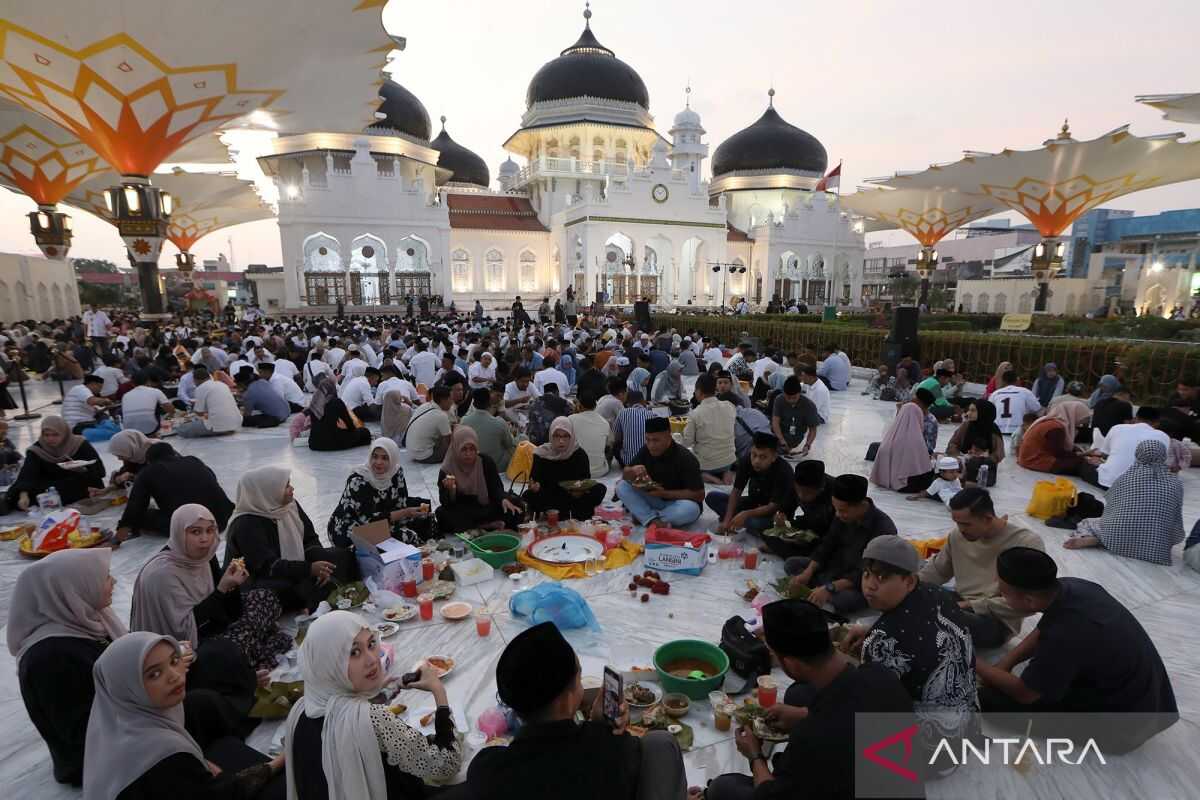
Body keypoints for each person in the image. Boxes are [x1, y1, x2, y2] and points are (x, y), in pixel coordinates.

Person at [975, 547, 1178, 753]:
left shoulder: (1066, 633)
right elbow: (1042, 630)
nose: (1000, 595)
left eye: (1003, 592)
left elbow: (1025, 693)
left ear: (1029, 600)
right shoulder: (1073, 587)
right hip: (1149, 703)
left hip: (1122, 728)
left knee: (989, 701)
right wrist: (1005, 664)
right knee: (1012, 680)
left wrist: (972, 662)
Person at [706, 600, 914, 800]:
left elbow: (769, 795)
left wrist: (754, 756)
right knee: (798, 694)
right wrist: (802, 715)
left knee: (722, 788)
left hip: (843, 783)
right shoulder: (880, 674)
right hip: (888, 783)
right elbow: (850, 714)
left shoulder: (811, 739)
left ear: (792, 664)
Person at [467, 621, 688, 800]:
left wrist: (596, 727)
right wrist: (601, 730)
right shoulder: (616, 750)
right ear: (565, 700)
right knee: (660, 743)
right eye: (579, 679)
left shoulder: (486, 770)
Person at [82, 632, 285, 800]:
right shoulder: (160, 753)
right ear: (128, 687)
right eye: (154, 674)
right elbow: (228, 793)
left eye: (174, 660)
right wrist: (283, 759)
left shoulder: (113, 726)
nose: (174, 675)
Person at [284, 611, 461, 800]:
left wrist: (385, 691)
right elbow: (446, 764)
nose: (372, 660)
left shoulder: (300, 710)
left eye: (371, 644)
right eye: (354, 652)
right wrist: (438, 691)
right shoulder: (371, 719)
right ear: (328, 664)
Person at [7, 549, 126, 786]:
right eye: (104, 577)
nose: (114, 581)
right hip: (94, 760)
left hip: (124, 727)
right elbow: (82, 731)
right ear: (73, 589)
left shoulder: (86, 618)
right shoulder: (50, 658)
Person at [131, 505, 290, 678]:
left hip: (212, 625)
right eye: (195, 532)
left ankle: (252, 650)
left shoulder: (204, 557)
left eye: (210, 530)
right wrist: (222, 589)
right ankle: (251, 651)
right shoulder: (163, 574)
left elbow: (232, 613)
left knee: (265, 596)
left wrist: (232, 587)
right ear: (179, 533)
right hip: (181, 653)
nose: (205, 539)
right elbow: (185, 632)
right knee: (227, 651)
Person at [839, 536, 979, 728]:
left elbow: (872, 702)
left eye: (882, 577)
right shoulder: (939, 594)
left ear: (910, 581)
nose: (870, 585)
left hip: (930, 737)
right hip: (969, 718)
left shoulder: (882, 639)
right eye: (866, 574)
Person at [919, 488, 1045, 649]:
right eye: (957, 523)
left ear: (987, 518)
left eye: (966, 524)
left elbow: (1027, 602)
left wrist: (969, 605)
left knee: (936, 617)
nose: (961, 529)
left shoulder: (1026, 543)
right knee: (913, 599)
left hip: (995, 620)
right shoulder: (957, 536)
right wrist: (909, 586)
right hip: (960, 601)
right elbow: (937, 570)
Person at [223, 466, 355, 613]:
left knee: (340, 556)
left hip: (291, 564)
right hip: (259, 577)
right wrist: (309, 569)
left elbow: (309, 538)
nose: (292, 488)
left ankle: (314, 597)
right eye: (286, 486)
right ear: (267, 492)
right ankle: (310, 601)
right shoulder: (246, 524)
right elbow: (268, 566)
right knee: (287, 586)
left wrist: (319, 562)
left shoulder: (289, 506)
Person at [785, 475, 896, 615]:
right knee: (791, 564)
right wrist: (808, 571)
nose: (837, 515)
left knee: (847, 600)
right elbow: (827, 544)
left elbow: (866, 572)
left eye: (842, 511)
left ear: (859, 505)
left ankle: (821, 591)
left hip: (857, 583)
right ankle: (819, 590)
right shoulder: (842, 516)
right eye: (836, 509)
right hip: (833, 569)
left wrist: (829, 588)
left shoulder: (883, 528)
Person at [1065, 440, 1185, 565]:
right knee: (1160, 530)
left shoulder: (1127, 478)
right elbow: (1175, 515)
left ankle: (1100, 539)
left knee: (1088, 522)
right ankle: (1146, 543)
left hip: (1119, 536)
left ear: (1138, 454)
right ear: (1163, 456)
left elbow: (1111, 508)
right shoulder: (1175, 483)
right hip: (1156, 545)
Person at [327, 438, 433, 549]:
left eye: (385, 458)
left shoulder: (396, 472)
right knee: (406, 536)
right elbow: (369, 520)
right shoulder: (359, 481)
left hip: (382, 518)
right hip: (352, 527)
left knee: (423, 520)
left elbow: (401, 502)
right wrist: (405, 513)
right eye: (375, 456)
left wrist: (413, 512)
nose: (378, 462)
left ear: (393, 459)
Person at [117, 443, 235, 540]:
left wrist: (118, 537)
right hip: (221, 519)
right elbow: (212, 479)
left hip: (191, 528)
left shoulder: (148, 472)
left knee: (142, 516)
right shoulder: (193, 460)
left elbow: (135, 505)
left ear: (149, 460)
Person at [615, 416, 704, 528]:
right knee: (622, 486)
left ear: (668, 437)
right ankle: (653, 519)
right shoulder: (646, 450)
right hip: (654, 499)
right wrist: (631, 471)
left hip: (677, 503)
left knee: (691, 509)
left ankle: (647, 517)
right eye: (648, 439)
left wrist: (664, 493)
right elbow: (625, 474)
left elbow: (699, 495)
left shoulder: (685, 458)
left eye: (656, 440)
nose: (651, 445)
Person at [435, 427, 525, 533]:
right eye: (464, 449)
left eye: (472, 449)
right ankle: (486, 525)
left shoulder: (485, 461)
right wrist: (450, 490)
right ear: (455, 447)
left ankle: (479, 526)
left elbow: (496, 487)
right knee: (441, 514)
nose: (468, 454)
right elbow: (445, 503)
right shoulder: (447, 469)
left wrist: (503, 499)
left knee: (517, 506)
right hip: (464, 509)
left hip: (486, 505)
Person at [5, 415, 104, 511]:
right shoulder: (37, 450)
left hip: (78, 483)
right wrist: (24, 495)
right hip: (51, 486)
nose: (50, 439)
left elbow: (100, 470)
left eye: (55, 435)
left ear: (64, 433)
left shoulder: (79, 444)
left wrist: (83, 469)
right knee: (18, 493)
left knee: (86, 483)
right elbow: (27, 474)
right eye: (46, 435)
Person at [706, 432, 796, 535]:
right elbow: (736, 491)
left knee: (753, 523)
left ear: (774, 457)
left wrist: (746, 514)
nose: (757, 461)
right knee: (712, 497)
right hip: (753, 503)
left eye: (763, 457)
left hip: (775, 513)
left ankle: (744, 522)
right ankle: (737, 520)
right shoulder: (746, 460)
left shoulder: (784, 471)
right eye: (754, 455)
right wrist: (727, 520)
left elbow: (772, 507)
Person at [524, 418, 607, 521]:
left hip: (572, 497)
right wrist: (535, 487)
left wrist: (580, 490)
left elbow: (585, 480)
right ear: (551, 436)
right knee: (529, 495)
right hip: (550, 495)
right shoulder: (541, 454)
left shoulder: (579, 454)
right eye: (557, 436)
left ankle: (565, 513)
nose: (561, 441)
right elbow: (534, 480)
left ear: (571, 436)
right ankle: (568, 513)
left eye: (565, 436)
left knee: (599, 488)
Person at [1084, 406, 1171, 489]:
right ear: (1157, 423)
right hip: (1138, 489)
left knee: (1082, 463)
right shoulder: (1164, 437)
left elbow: (1105, 454)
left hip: (1107, 482)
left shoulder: (1117, 428)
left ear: (1135, 418)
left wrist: (1100, 462)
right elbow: (1159, 465)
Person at [870, 398, 935, 493]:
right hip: (907, 486)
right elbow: (923, 466)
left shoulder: (890, 436)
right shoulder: (916, 439)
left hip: (884, 481)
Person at [682, 373, 737, 483]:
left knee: (684, 461)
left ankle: (708, 477)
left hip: (706, 465)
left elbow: (686, 442)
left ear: (698, 391)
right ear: (715, 389)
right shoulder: (729, 406)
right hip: (729, 461)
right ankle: (725, 473)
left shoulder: (696, 414)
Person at [1017, 400, 1091, 475]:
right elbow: (1058, 453)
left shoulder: (1052, 423)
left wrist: (1076, 451)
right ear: (1073, 415)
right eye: (1081, 419)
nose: (1081, 424)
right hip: (1035, 460)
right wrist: (1081, 455)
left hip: (1028, 458)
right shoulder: (1055, 428)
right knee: (1082, 464)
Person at [946, 398, 1005, 485]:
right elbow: (953, 443)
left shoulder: (993, 430)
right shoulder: (966, 425)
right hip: (962, 461)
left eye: (973, 410)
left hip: (983, 467)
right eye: (969, 410)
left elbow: (998, 454)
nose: (968, 413)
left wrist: (980, 458)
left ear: (983, 412)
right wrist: (958, 457)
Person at [307, 375, 372, 452]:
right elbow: (349, 425)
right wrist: (352, 430)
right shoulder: (336, 402)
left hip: (314, 444)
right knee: (365, 432)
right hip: (335, 443)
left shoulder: (314, 403)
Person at [460, 387, 516, 472]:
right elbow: (509, 444)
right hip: (495, 467)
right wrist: (512, 433)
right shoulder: (500, 423)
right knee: (516, 444)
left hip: (472, 465)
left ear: (473, 404)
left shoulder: (464, 421)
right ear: (489, 403)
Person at [771, 376, 820, 455]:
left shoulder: (809, 405)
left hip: (794, 436)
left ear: (800, 393)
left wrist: (807, 445)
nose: (791, 400)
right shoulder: (779, 399)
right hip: (778, 433)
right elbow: (775, 422)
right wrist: (782, 441)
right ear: (784, 393)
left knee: (776, 451)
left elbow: (813, 430)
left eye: (794, 398)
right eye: (788, 397)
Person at [405, 385, 455, 463]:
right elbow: (447, 441)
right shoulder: (441, 415)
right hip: (425, 455)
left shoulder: (425, 406)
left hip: (411, 452)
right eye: (451, 399)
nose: (452, 402)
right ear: (443, 400)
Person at [568, 389, 612, 478]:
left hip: (577, 471)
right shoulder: (604, 422)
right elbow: (609, 445)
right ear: (595, 406)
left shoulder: (570, 419)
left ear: (579, 405)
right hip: (599, 471)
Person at [988, 370, 1042, 435]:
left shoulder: (995, 394)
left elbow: (988, 412)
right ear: (1017, 380)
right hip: (1018, 432)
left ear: (1003, 381)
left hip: (998, 431)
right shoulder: (1025, 392)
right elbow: (1038, 409)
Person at [122, 369, 175, 434]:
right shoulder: (155, 391)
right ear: (148, 381)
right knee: (157, 409)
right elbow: (170, 409)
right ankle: (154, 434)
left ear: (132, 383)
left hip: (130, 430)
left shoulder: (125, 395)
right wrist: (170, 415)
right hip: (151, 429)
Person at [612, 390, 653, 467]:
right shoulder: (653, 415)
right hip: (648, 463)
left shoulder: (622, 413)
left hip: (628, 463)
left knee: (615, 444)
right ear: (643, 401)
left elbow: (615, 436)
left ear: (628, 403)